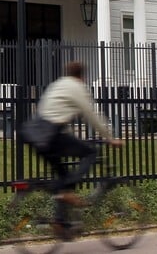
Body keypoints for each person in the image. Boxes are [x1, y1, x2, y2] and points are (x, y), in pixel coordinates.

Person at [35, 61, 123, 209]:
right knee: (90, 153)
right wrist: (110, 138)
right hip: (53, 132)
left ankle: (61, 223)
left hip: (36, 130)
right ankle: (68, 190)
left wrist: (70, 135)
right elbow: (92, 115)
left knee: (63, 179)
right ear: (82, 76)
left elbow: (53, 112)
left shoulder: (57, 84)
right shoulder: (77, 87)